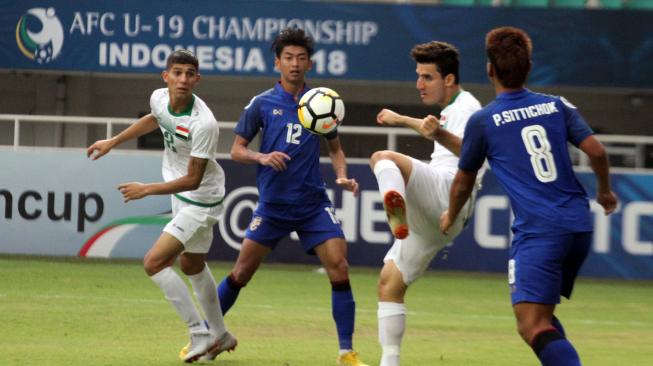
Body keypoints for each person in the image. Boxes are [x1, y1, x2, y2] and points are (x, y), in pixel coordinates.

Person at [440, 27, 618, 366]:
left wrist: (450, 215)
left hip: (540, 232)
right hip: (578, 225)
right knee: (542, 319)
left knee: (531, 325)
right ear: (529, 67)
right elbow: (596, 151)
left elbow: (463, 182)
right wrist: (605, 191)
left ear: (490, 69)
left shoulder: (484, 120)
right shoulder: (556, 105)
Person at [214, 27, 367, 366]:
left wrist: (342, 175)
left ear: (309, 63)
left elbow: (336, 149)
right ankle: (207, 335)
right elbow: (236, 150)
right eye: (288, 58)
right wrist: (262, 156)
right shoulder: (262, 104)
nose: (294, 64)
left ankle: (346, 352)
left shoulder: (321, 103)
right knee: (240, 274)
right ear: (277, 63)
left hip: (313, 205)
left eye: (300, 58)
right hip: (272, 207)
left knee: (340, 267)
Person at [87, 49, 237, 363]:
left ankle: (199, 333)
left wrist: (147, 189)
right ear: (165, 76)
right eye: (177, 73)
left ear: (197, 79)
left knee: (154, 262)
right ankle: (221, 336)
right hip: (180, 195)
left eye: (189, 74)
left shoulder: (204, 124)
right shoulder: (158, 97)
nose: (183, 79)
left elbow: (194, 180)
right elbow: (155, 119)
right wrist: (112, 141)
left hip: (201, 200)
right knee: (192, 265)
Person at [370, 41, 482, 366]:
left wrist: (436, 133)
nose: (419, 84)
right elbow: (434, 129)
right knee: (390, 284)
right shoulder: (451, 109)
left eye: (427, 77)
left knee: (383, 158)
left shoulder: (469, 108)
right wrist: (401, 119)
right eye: (418, 76)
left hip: (450, 192)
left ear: (448, 79)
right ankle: (389, 362)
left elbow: (474, 154)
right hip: (439, 219)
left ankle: (396, 207)